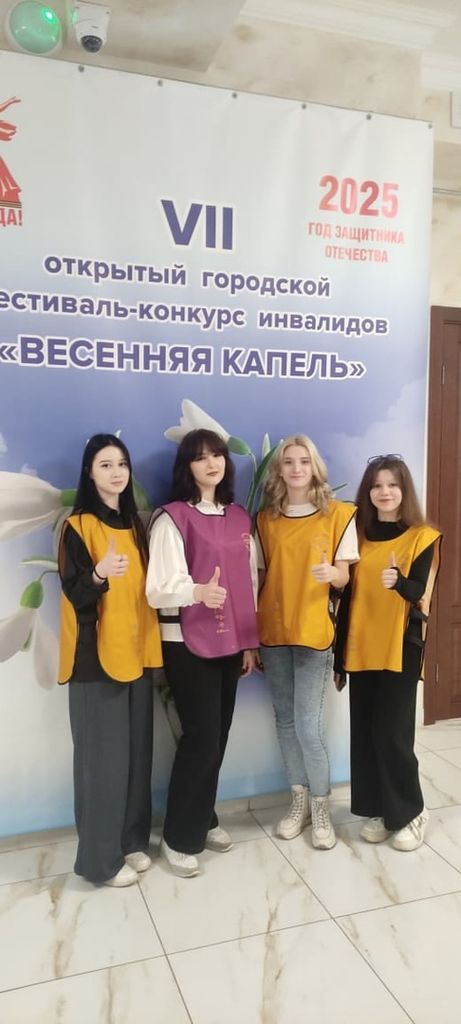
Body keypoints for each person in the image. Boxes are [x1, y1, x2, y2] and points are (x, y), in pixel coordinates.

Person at [146, 428, 259, 878]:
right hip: (186, 641)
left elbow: (249, 582)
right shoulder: (172, 519)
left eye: (217, 455)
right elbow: (158, 588)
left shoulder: (239, 517)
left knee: (219, 737)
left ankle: (203, 817)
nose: (212, 463)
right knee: (201, 739)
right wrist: (196, 591)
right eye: (200, 457)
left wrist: (249, 642)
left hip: (231, 641)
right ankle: (178, 837)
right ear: (187, 466)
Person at [58, 434, 162, 887]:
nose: (116, 472)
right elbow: (75, 593)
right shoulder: (77, 527)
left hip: (137, 653)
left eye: (121, 463)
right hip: (94, 658)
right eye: (105, 464)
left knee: (136, 756)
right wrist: (99, 573)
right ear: (89, 472)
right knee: (102, 762)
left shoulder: (136, 525)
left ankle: (131, 841)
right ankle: (99, 862)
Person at [256, 434, 358, 849]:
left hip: (314, 634)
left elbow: (345, 576)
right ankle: (297, 801)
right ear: (279, 470)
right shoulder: (265, 521)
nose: (297, 468)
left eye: (304, 461)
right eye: (289, 462)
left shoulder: (338, 515)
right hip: (274, 631)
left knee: (307, 726)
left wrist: (332, 575)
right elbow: (261, 576)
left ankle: (321, 806)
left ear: (315, 467)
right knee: (284, 722)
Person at [335, 455, 441, 851]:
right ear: (368, 491)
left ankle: (412, 812)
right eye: (377, 485)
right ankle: (379, 808)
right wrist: (338, 659)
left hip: (400, 649)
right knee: (365, 733)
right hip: (360, 648)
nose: (385, 492)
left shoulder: (422, 537)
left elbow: (419, 593)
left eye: (392, 485)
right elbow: (347, 601)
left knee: (392, 734)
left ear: (404, 490)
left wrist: (398, 581)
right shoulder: (357, 537)